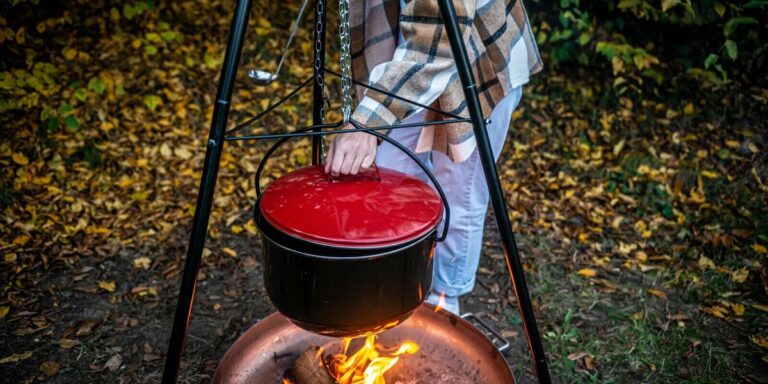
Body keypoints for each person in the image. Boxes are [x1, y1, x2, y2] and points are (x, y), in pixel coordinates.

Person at [325, 0, 542, 314]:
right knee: (385, 180)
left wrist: (368, 122)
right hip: (404, 59)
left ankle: (443, 301)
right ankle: (398, 289)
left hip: (477, 58)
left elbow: (436, 39)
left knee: (459, 194)